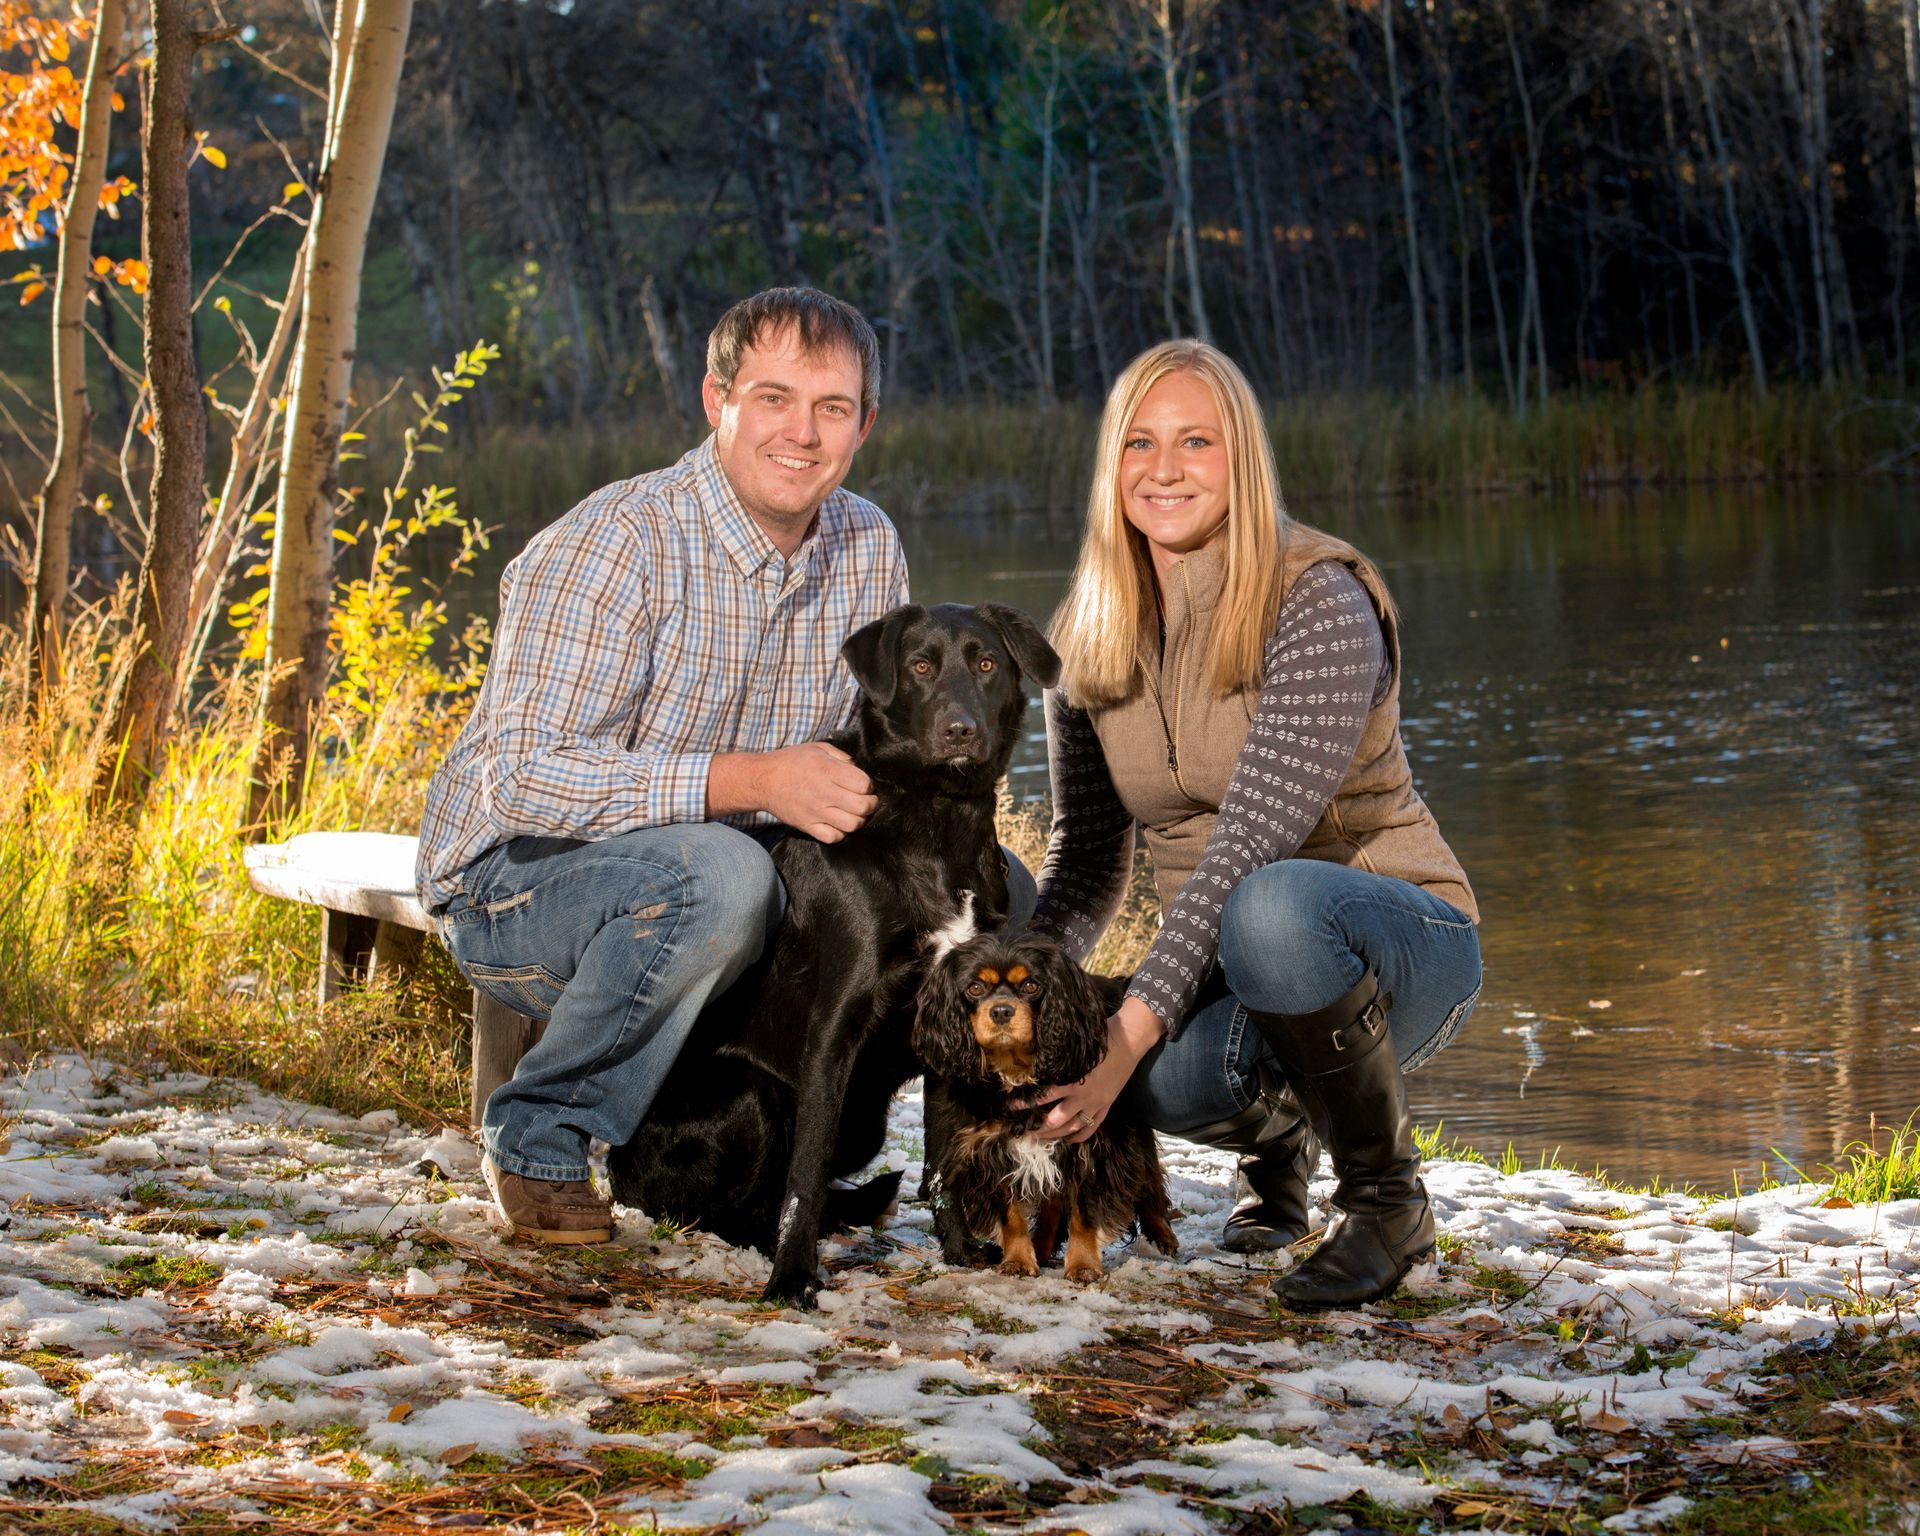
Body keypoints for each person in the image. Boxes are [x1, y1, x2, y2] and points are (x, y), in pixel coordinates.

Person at [417, 288, 924, 1246]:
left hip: (728, 888)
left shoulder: (868, 545)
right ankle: (537, 1136)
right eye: (773, 398)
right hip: (513, 882)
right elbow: (523, 778)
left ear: (865, 424)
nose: (802, 433)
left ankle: (807, 1155)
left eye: (832, 408)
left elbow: (870, 751)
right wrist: (760, 782)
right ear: (716, 400)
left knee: (983, 890)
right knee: (718, 878)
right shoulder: (617, 541)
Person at [1024, 340, 1481, 1308]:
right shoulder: (1087, 629)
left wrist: (1127, 1033)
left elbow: (1248, 849)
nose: (1165, 467)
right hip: (1228, 963)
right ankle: (1281, 1149)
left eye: (1198, 440)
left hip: (1396, 939)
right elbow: (1088, 854)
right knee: (1159, 1081)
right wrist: (1027, 988)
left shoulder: (1317, 596)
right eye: (1140, 443)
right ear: (1112, 464)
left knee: (1269, 906)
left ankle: (1386, 1202)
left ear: (1243, 457)